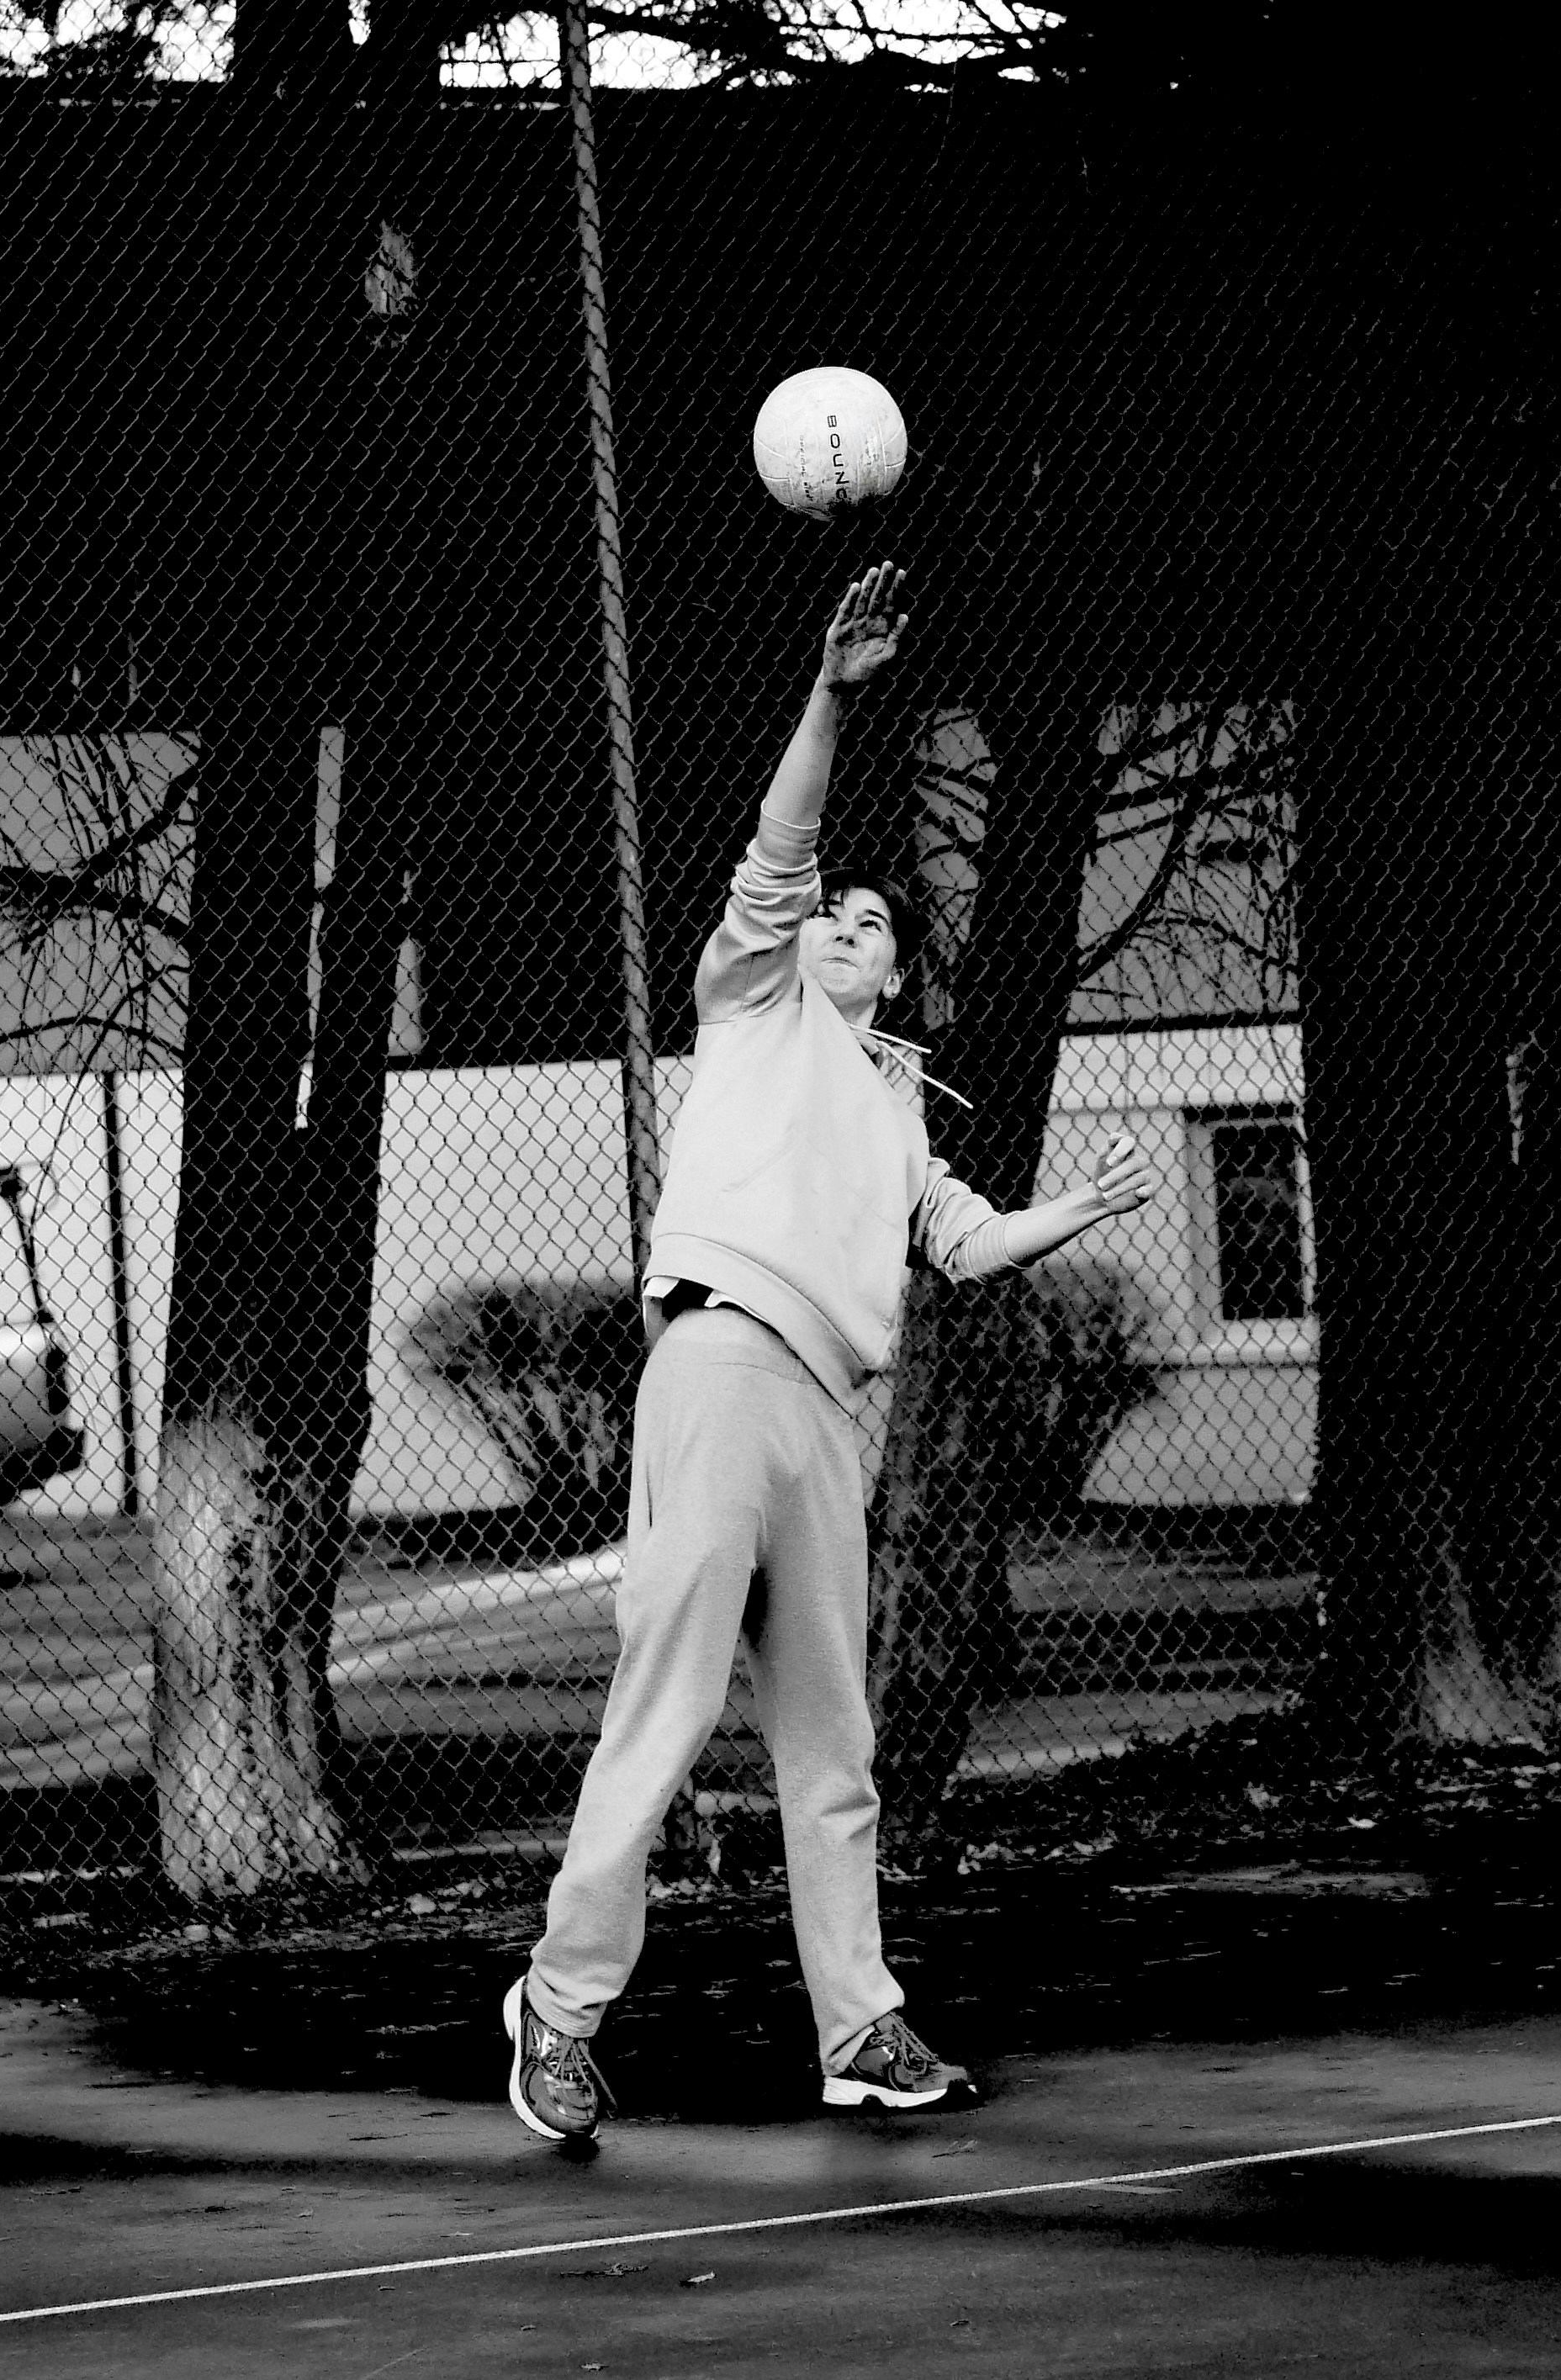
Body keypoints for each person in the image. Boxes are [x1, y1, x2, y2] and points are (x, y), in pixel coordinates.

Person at [505, 562, 1153, 2142]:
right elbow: (783, 844)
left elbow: (968, 1242)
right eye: (841, 918)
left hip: (822, 1420)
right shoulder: (751, 1000)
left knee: (833, 1745)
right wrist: (831, 694)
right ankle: (562, 2004)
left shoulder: (893, 1107)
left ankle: (861, 2025)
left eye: (878, 925)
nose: (858, 930)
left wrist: (1069, 1205)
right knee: (661, 1713)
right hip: (719, 1370)